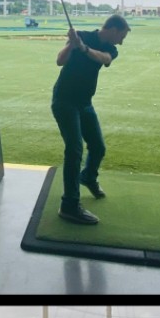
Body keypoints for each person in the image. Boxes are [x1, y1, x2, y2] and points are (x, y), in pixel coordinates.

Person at [50, 14, 131, 225]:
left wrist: (83, 48)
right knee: (75, 149)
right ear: (113, 29)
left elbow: (103, 58)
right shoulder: (82, 36)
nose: (121, 42)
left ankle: (88, 177)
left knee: (98, 147)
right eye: (121, 36)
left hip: (84, 103)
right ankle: (69, 206)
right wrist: (72, 45)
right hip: (64, 101)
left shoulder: (111, 49)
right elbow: (60, 61)